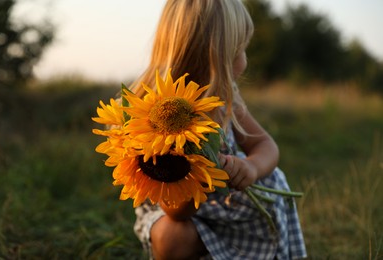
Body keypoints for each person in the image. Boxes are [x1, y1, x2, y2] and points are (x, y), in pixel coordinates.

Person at [131, 0, 307, 259]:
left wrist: (251, 167)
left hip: (232, 213)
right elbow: (175, 212)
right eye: (241, 50)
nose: (245, 60)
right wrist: (198, 175)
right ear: (216, 57)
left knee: (272, 182)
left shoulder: (226, 101)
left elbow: (265, 145)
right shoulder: (150, 118)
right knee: (170, 236)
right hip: (184, 215)